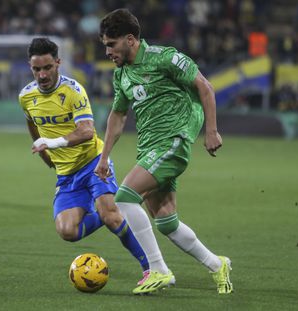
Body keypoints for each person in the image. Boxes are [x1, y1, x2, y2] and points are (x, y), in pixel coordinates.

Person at [95, 8, 233, 295]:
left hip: (173, 140)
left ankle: (158, 269)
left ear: (130, 39)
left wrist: (211, 130)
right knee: (166, 221)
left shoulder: (164, 57)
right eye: (105, 45)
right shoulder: (121, 75)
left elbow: (205, 87)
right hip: (149, 147)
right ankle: (216, 264)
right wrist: (105, 156)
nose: (107, 51)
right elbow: (118, 117)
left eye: (111, 44)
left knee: (124, 197)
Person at [18, 37, 149, 287]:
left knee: (112, 217)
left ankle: (150, 268)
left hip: (93, 162)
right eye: (36, 69)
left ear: (58, 63)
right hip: (67, 175)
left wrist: (52, 143)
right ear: (30, 66)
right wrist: (45, 154)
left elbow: (87, 131)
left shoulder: (73, 90)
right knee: (67, 231)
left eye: (47, 67)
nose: (42, 74)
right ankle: (108, 207)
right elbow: (32, 124)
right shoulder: (26, 96)